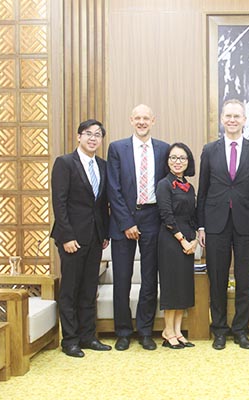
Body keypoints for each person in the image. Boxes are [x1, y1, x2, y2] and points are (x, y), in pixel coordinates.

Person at [197, 99, 249, 350]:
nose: (232, 120)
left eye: (237, 116)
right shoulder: (210, 150)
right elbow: (203, 190)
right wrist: (201, 226)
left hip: (246, 223)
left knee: (244, 278)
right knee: (217, 279)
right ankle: (219, 330)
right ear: (222, 119)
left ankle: (240, 330)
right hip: (216, 224)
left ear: (244, 120)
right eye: (228, 116)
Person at [107, 104, 170, 351]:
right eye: (138, 118)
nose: (142, 122)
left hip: (153, 218)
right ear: (131, 120)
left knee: (149, 278)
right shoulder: (117, 148)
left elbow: (166, 186)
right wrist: (127, 223)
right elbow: (113, 189)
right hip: (124, 220)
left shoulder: (163, 149)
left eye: (146, 118)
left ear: (153, 121)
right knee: (122, 279)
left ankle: (145, 331)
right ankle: (123, 332)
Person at [51, 119, 112, 357]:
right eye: (88, 134)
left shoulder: (103, 165)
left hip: (95, 237)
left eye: (97, 135)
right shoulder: (65, 163)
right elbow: (59, 203)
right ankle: (70, 340)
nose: (93, 138)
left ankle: (88, 337)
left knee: (89, 289)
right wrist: (67, 236)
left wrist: (104, 233)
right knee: (70, 289)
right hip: (72, 238)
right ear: (79, 137)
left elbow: (102, 204)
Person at [156, 143, 198, 349]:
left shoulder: (189, 186)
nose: (177, 162)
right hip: (171, 240)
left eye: (182, 158)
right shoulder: (164, 184)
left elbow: (194, 216)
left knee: (183, 287)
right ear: (167, 161)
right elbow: (166, 215)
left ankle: (178, 331)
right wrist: (182, 240)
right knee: (172, 287)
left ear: (188, 162)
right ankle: (168, 331)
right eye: (173, 158)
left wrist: (194, 240)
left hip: (188, 239)